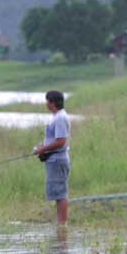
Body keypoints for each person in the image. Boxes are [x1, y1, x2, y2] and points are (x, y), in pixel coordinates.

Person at [34, 90, 71, 225]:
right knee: (57, 193)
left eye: (47, 101)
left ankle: (62, 224)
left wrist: (43, 149)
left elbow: (61, 141)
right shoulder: (57, 117)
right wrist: (42, 146)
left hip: (58, 160)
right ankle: (60, 223)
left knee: (60, 193)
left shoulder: (60, 118)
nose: (46, 103)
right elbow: (53, 139)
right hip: (53, 160)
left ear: (52, 102)